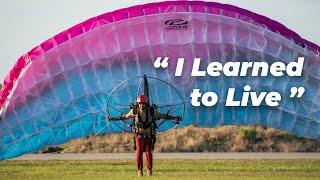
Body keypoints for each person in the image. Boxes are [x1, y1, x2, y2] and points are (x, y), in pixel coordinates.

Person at [107, 94, 181, 176]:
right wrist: (113, 118)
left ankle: (149, 170)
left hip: (149, 135)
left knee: (148, 153)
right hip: (139, 135)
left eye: (143, 103)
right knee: (139, 152)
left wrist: (174, 118)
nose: (141, 105)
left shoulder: (151, 111)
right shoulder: (134, 111)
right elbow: (125, 116)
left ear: (146, 103)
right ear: (138, 103)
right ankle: (139, 171)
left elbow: (162, 116)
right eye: (140, 103)